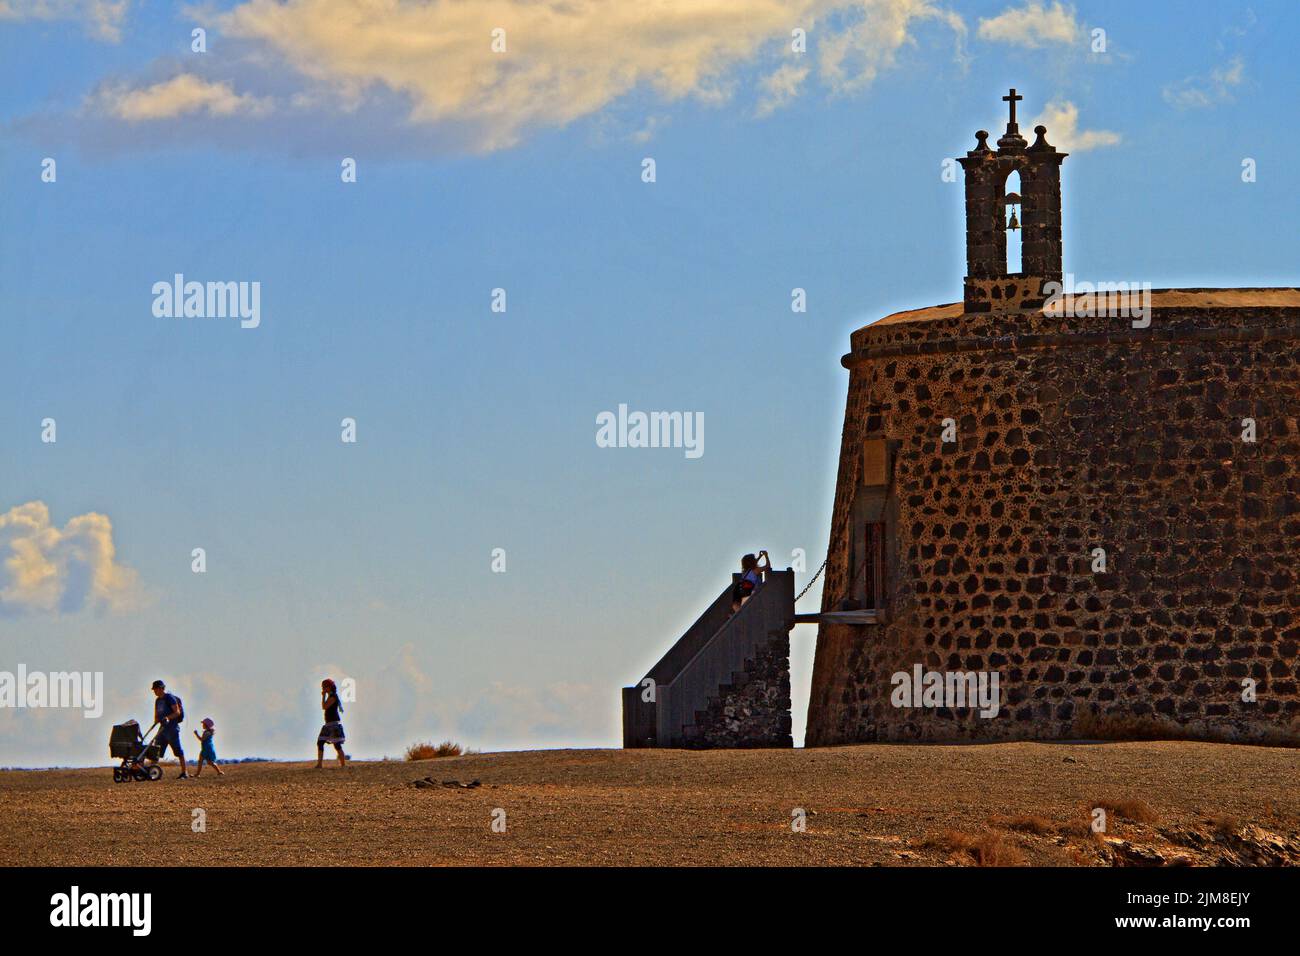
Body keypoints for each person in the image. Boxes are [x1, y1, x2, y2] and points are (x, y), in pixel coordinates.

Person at [149, 679, 189, 779]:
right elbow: (157, 714)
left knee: (178, 751)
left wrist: (167, 718)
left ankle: (184, 772)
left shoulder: (169, 697)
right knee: (156, 751)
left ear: (161, 689)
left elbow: (177, 712)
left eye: (156, 689)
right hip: (162, 729)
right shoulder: (158, 700)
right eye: (154, 690)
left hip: (172, 729)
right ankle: (151, 773)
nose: (154, 691)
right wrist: (156, 721)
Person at [315, 678, 347, 769]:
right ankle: (319, 764)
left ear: (329, 687)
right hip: (328, 724)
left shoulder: (333, 697)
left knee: (337, 745)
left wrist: (323, 696)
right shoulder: (331, 696)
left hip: (334, 724)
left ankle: (343, 765)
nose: (323, 688)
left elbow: (324, 706)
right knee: (320, 742)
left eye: (324, 687)